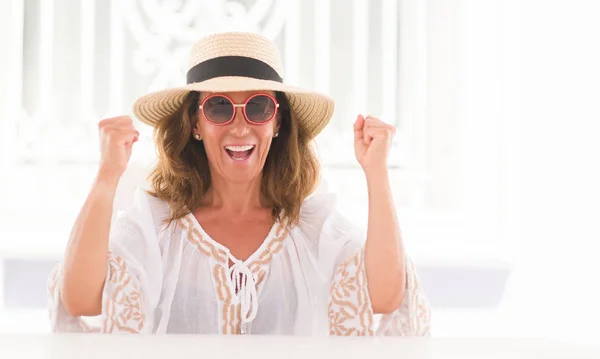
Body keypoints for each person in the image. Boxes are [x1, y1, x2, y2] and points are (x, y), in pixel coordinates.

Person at [47, 32, 431, 335]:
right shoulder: (156, 226)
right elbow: (80, 301)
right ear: (195, 123)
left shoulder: (312, 227)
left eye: (258, 106)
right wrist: (107, 175)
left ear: (277, 123)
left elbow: (384, 297)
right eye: (219, 106)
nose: (240, 125)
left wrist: (376, 173)